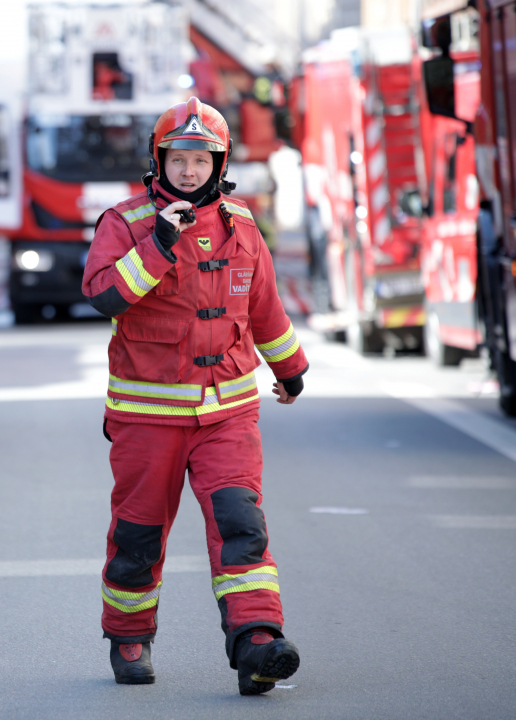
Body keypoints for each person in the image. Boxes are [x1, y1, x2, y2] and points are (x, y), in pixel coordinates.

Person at [82, 97, 308, 695]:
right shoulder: (125, 224)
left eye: (201, 160)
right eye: (178, 158)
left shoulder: (242, 225)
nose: (189, 170)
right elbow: (103, 295)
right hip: (146, 418)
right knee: (138, 534)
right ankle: (129, 637)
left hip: (227, 413)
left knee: (241, 524)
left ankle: (257, 641)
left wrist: (290, 368)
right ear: (159, 161)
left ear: (219, 164)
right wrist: (158, 244)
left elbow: (263, 307)